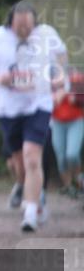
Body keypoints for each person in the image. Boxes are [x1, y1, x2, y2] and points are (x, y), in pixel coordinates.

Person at [0, 1, 68, 232]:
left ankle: (31, 211)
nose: (25, 31)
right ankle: (22, 185)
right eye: (20, 26)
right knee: (19, 163)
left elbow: (61, 57)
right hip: (8, 108)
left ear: (34, 22)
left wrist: (61, 82)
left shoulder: (47, 33)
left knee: (32, 157)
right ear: (11, 21)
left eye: (28, 26)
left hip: (39, 104)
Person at [51, 67, 83, 197]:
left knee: (72, 154)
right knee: (61, 159)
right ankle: (69, 187)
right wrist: (53, 100)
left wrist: (73, 97)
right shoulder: (48, 85)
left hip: (76, 121)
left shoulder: (76, 79)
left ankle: (79, 179)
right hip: (57, 123)